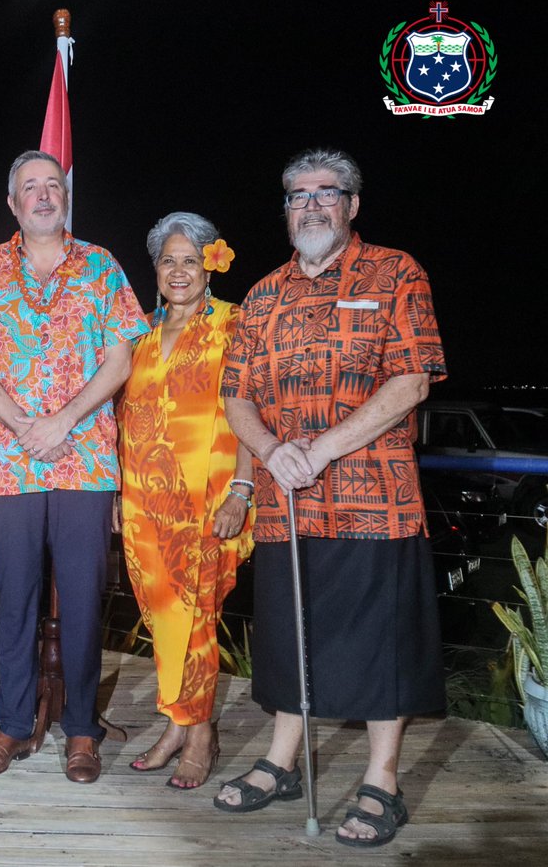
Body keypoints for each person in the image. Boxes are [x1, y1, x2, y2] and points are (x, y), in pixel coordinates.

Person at [214, 149, 446, 848]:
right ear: (285, 210)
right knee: (292, 641)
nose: (311, 205)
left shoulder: (396, 272)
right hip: (290, 509)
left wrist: (319, 448)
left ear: (352, 204)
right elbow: (236, 397)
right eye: (297, 195)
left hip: (376, 498)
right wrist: (273, 448)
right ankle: (283, 761)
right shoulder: (260, 295)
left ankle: (382, 780)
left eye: (326, 193)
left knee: (380, 647)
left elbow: (413, 380)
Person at [0, 151, 149, 783]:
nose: (42, 195)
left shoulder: (102, 266)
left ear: (65, 197)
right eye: (29, 187)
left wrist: (63, 421)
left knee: (84, 599)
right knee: (17, 599)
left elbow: (120, 359)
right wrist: (25, 426)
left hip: (84, 460)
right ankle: (12, 723)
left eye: (52, 185)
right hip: (9, 462)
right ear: (12, 202)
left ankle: (82, 730)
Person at [117, 212, 255, 790]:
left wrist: (243, 490)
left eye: (190, 260)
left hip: (210, 498)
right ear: (156, 269)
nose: (179, 270)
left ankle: (199, 734)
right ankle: (177, 721)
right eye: (168, 260)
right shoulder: (138, 332)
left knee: (197, 616)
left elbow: (256, 410)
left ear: (210, 265)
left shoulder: (235, 323)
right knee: (167, 618)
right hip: (142, 502)